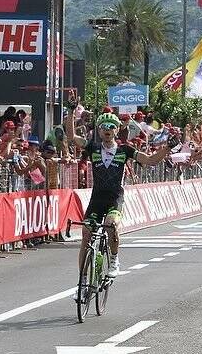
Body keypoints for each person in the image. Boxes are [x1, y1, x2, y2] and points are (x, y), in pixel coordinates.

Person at [69, 110, 172, 278]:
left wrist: (167, 147)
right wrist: (72, 112)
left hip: (115, 197)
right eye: (103, 126)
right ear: (99, 130)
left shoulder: (125, 150)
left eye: (111, 126)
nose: (107, 129)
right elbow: (71, 136)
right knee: (86, 233)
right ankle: (82, 281)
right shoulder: (92, 147)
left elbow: (150, 160)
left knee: (111, 224)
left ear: (117, 130)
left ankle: (115, 259)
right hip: (97, 198)